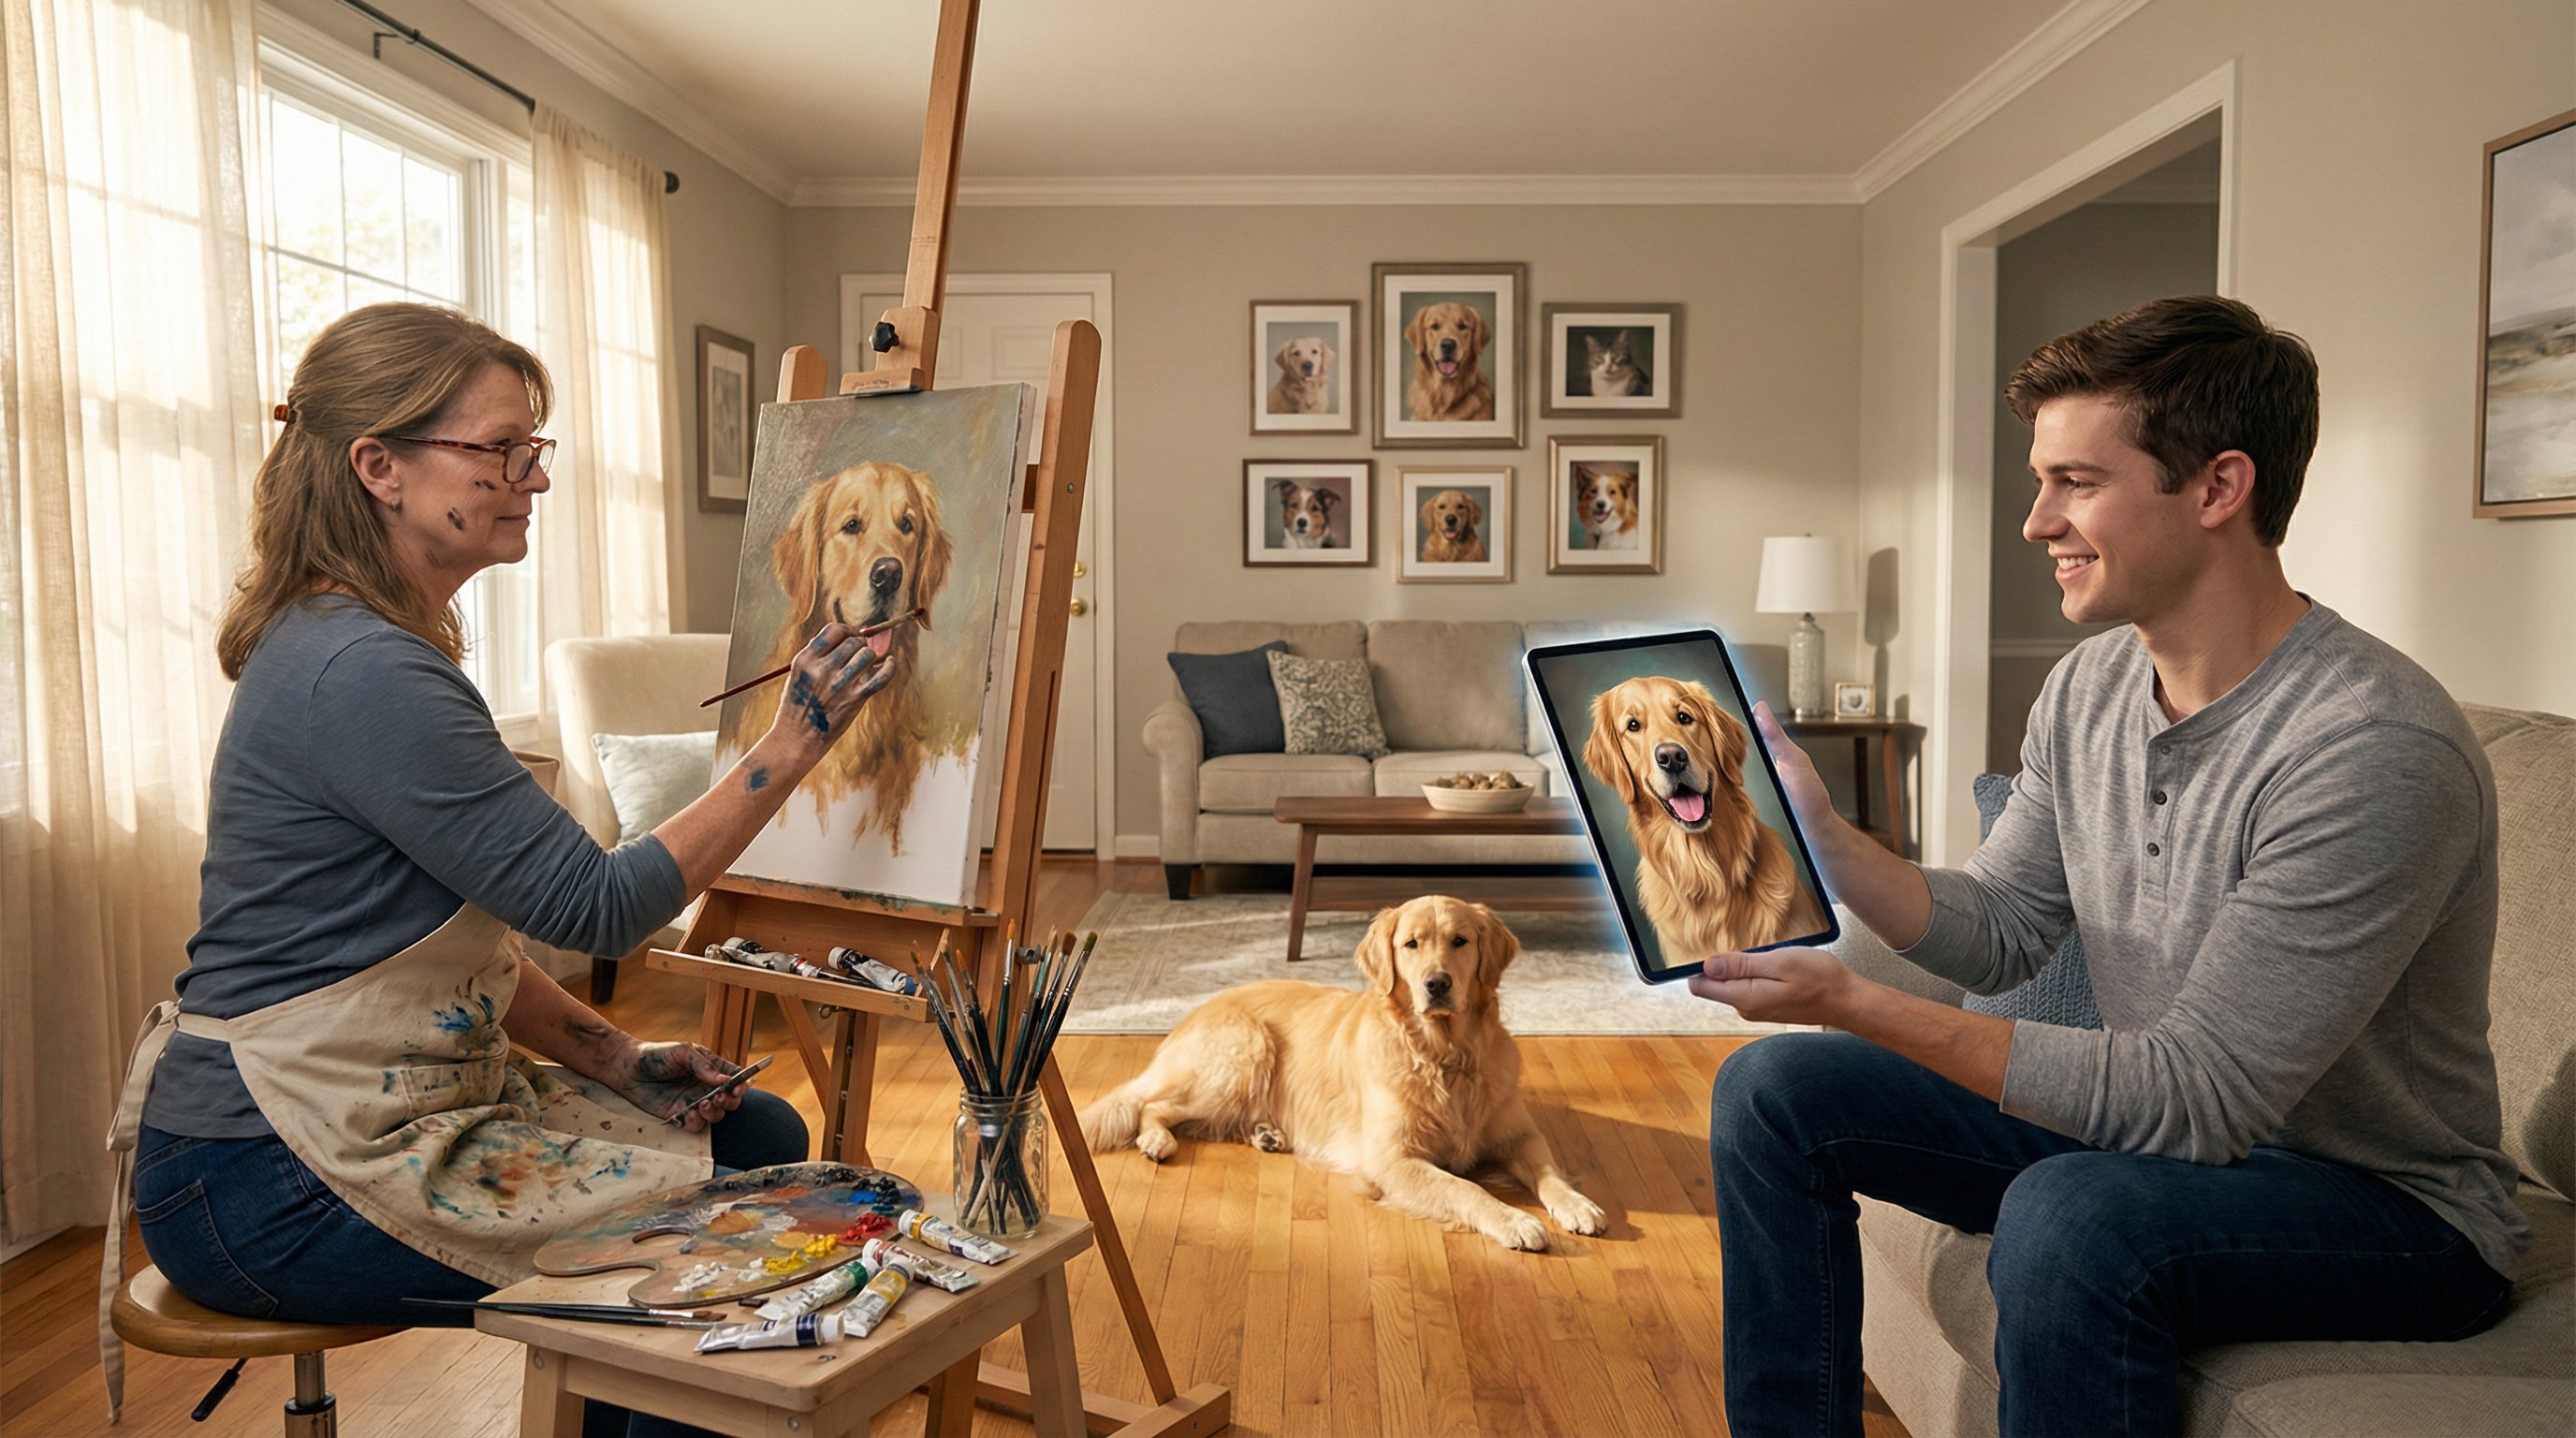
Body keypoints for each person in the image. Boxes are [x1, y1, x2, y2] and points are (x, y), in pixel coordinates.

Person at [1698, 296, 2525, 1435]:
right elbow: (1996, 929)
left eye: (2074, 482)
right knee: (1775, 1093)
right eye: (2040, 482)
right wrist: (1825, 843)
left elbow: (2197, 1100)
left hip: (2383, 1206)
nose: (2036, 522)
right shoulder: (2089, 687)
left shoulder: (2370, 750)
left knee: (2071, 1214)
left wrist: (1856, 1002)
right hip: (2170, 1143)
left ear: (2217, 488)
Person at [102, 303, 896, 1435]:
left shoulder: (370, 645)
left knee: (754, 1138)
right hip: (267, 1173)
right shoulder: (364, 670)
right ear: (379, 467)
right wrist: (793, 740)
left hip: (355, 1111)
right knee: (725, 1261)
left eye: (536, 449)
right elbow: (600, 907)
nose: (532, 477)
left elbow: (444, 944)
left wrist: (617, 1054)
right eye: (501, 450)